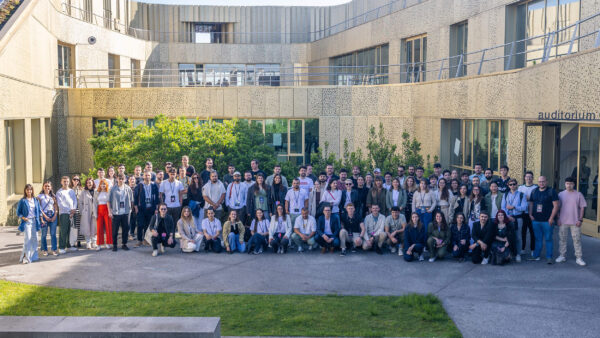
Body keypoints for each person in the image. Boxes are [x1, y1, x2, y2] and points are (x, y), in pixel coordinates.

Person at [556, 177, 586, 266]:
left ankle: (579, 258)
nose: (569, 185)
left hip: (575, 221)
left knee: (577, 240)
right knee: (562, 239)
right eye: (567, 183)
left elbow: (582, 207)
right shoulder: (560, 194)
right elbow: (557, 207)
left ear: (574, 184)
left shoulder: (579, 194)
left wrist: (580, 219)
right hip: (563, 221)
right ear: (565, 184)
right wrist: (558, 218)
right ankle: (562, 255)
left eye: (571, 183)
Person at [528, 176, 559, 264]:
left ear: (547, 182)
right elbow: (531, 203)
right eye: (540, 182)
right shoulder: (534, 191)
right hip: (536, 220)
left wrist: (551, 218)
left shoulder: (551, 191)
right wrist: (530, 214)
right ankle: (536, 256)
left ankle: (549, 257)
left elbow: (556, 206)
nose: (541, 183)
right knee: (538, 239)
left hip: (547, 220)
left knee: (548, 239)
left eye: (543, 181)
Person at [501, 178, 528, 262]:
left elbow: (524, 207)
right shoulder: (505, 195)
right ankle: (511, 253)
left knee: (518, 237)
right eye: (510, 184)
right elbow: (503, 207)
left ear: (517, 185)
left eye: (514, 184)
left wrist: (514, 207)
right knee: (508, 236)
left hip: (518, 218)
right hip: (508, 218)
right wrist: (508, 216)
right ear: (508, 186)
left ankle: (518, 254)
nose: (512, 186)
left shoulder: (521, 195)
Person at [133, 171, 160, 247]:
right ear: (143, 176)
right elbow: (135, 198)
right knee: (140, 224)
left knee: (148, 225)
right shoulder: (139, 185)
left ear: (151, 176)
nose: (147, 176)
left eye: (149, 175)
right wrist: (136, 208)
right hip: (141, 208)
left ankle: (146, 239)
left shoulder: (154, 185)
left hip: (151, 208)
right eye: (146, 175)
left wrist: (156, 208)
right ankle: (139, 240)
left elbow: (157, 198)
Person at [108, 174, 134, 251]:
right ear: (117, 179)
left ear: (125, 179)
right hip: (116, 212)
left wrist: (130, 209)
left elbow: (132, 200)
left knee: (125, 229)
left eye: (122, 178)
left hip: (125, 212)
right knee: (115, 230)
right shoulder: (113, 189)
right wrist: (110, 211)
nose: (121, 180)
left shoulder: (128, 188)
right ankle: (115, 245)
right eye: (119, 178)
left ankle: (124, 244)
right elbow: (109, 201)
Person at [17, 184, 42, 264]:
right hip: (27, 222)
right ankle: (26, 258)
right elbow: (18, 212)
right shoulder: (22, 200)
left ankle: (34, 256)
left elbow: (39, 211)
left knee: (35, 239)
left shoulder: (35, 200)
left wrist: (41, 219)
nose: (29, 191)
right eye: (27, 190)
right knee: (28, 239)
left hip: (35, 221)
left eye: (30, 190)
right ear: (25, 191)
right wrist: (23, 217)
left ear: (32, 191)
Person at [56, 176, 77, 254]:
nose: (66, 183)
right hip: (64, 213)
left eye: (67, 181)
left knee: (71, 230)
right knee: (63, 230)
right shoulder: (59, 192)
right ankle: (61, 247)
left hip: (72, 213)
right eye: (64, 181)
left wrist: (73, 209)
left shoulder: (71, 191)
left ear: (69, 182)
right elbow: (60, 204)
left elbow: (74, 200)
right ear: (61, 182)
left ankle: (70, 245)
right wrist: (69, 211)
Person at [518, 171, 538, 255]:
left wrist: (529, 198)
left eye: (530, 177)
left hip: (533, 212)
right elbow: (518, 199)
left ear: (533, 178)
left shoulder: (536, 187)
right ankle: (522, 248)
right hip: (523, 212)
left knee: (533, 232)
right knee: (523, 231)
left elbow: (536, 199)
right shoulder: (521, 188)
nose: (528, 178)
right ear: (524, 178)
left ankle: (533, 249)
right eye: (527, 177)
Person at [38, 181, 58, 256]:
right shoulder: (39, 196)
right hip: (44, 216)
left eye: (48, 186)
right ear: (43, 187)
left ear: (51, 187)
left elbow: (56, 206)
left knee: (53, 234)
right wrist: (45, 216)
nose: (47, 187)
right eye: (45, 186)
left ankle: (54, 249)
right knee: (44, 234)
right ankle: (44, 249)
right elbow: (39, 208)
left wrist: (55, 215)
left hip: (52, 215)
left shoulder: (53, 196)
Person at [93, 179, 113, 250]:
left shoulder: (109, 192)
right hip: (99, 210)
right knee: (99, 228)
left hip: (107, 210)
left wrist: (111, 212)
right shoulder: (97, 192)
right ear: (100, 185)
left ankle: (108, 243)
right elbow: (94, 203)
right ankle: (99, 244)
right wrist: (95, 213)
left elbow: (110, 202)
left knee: (108, 227)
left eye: (104, 184)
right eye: (101, 184)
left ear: (106, 185)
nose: (103, 185)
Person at [78, 178, 96, 249]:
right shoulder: (83, 192)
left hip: (94, 211)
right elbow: (80, 202)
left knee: (94, 227)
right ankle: (88, 242)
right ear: (86, 184)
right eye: (88, 183)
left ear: (93, 183)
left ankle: (94, 242)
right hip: (86, 212)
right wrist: (82, 211)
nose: (89, 184)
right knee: (87, 227)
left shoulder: (96, 191)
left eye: (90, 182)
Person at [127, 176, 139, 241]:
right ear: (128, 180)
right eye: (131, 179)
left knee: (134, 221)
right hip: (127, 206)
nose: (132, 180)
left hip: (136, 206)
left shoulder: (138, 187)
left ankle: (132, 233)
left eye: (133, 179)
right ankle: (129, 234)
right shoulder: (126, 187)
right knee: (128, 221)